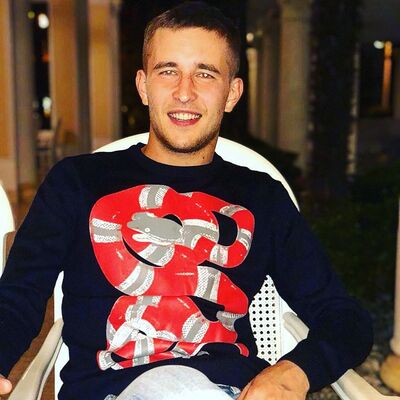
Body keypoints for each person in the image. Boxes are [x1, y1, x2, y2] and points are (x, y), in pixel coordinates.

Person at [0, 2, 372, 399]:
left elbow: (344, 318)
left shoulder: (261, 198)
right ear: (144, 86)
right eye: (168, 71)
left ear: (232, 93)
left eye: (205, 74)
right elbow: (18, 298)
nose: (184, 92)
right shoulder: (78, 182)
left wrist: (290, 375)